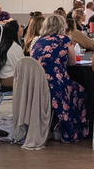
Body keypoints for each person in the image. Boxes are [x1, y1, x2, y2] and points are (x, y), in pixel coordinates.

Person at [30, 14, 88, 143]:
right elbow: (72, 63)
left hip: (37, 84)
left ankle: (53, 124)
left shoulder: (38, 41)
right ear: (62, 26)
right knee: (80, 90)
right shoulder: (64, 40)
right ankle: (69, 128)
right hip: (57, 84)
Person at [0, 20, 25, 88]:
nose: (22, 29)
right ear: (15, 32)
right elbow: (20, 68)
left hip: (6, 78)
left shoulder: (7, 44)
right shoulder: (14, 47)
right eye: (20, 27)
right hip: (10, 80)